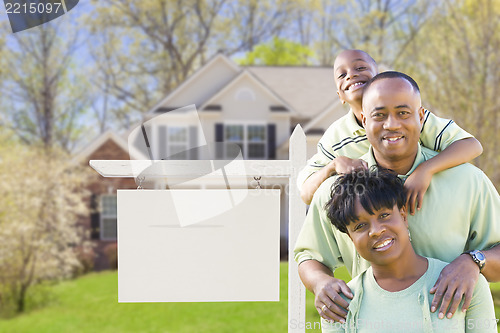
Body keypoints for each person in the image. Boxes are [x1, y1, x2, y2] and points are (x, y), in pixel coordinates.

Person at [294, 71, 500, 324]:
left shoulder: (468, 181)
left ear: (421, 116)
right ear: (363, 119)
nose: (391, 124)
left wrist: (473, 261)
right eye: (379, 115)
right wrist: (320, 282)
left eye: (403, 113)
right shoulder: (336, 192)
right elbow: (309, 256)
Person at [298, 50, 483, 216]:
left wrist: (425, 170)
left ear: (379, 78)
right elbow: (306, 193)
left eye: (360, 67)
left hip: (426, 209)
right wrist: (333, 166)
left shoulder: (412, 118)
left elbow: (472, 146)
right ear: (340, 96)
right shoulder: (336, 137)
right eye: (342, 74)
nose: (351, 75)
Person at [320, 167, 496, 333]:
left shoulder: (465, 283)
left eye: (384, 215)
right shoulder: (338, 304)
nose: (376, 231)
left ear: (403, 216)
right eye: (360, 226)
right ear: (351, 238)